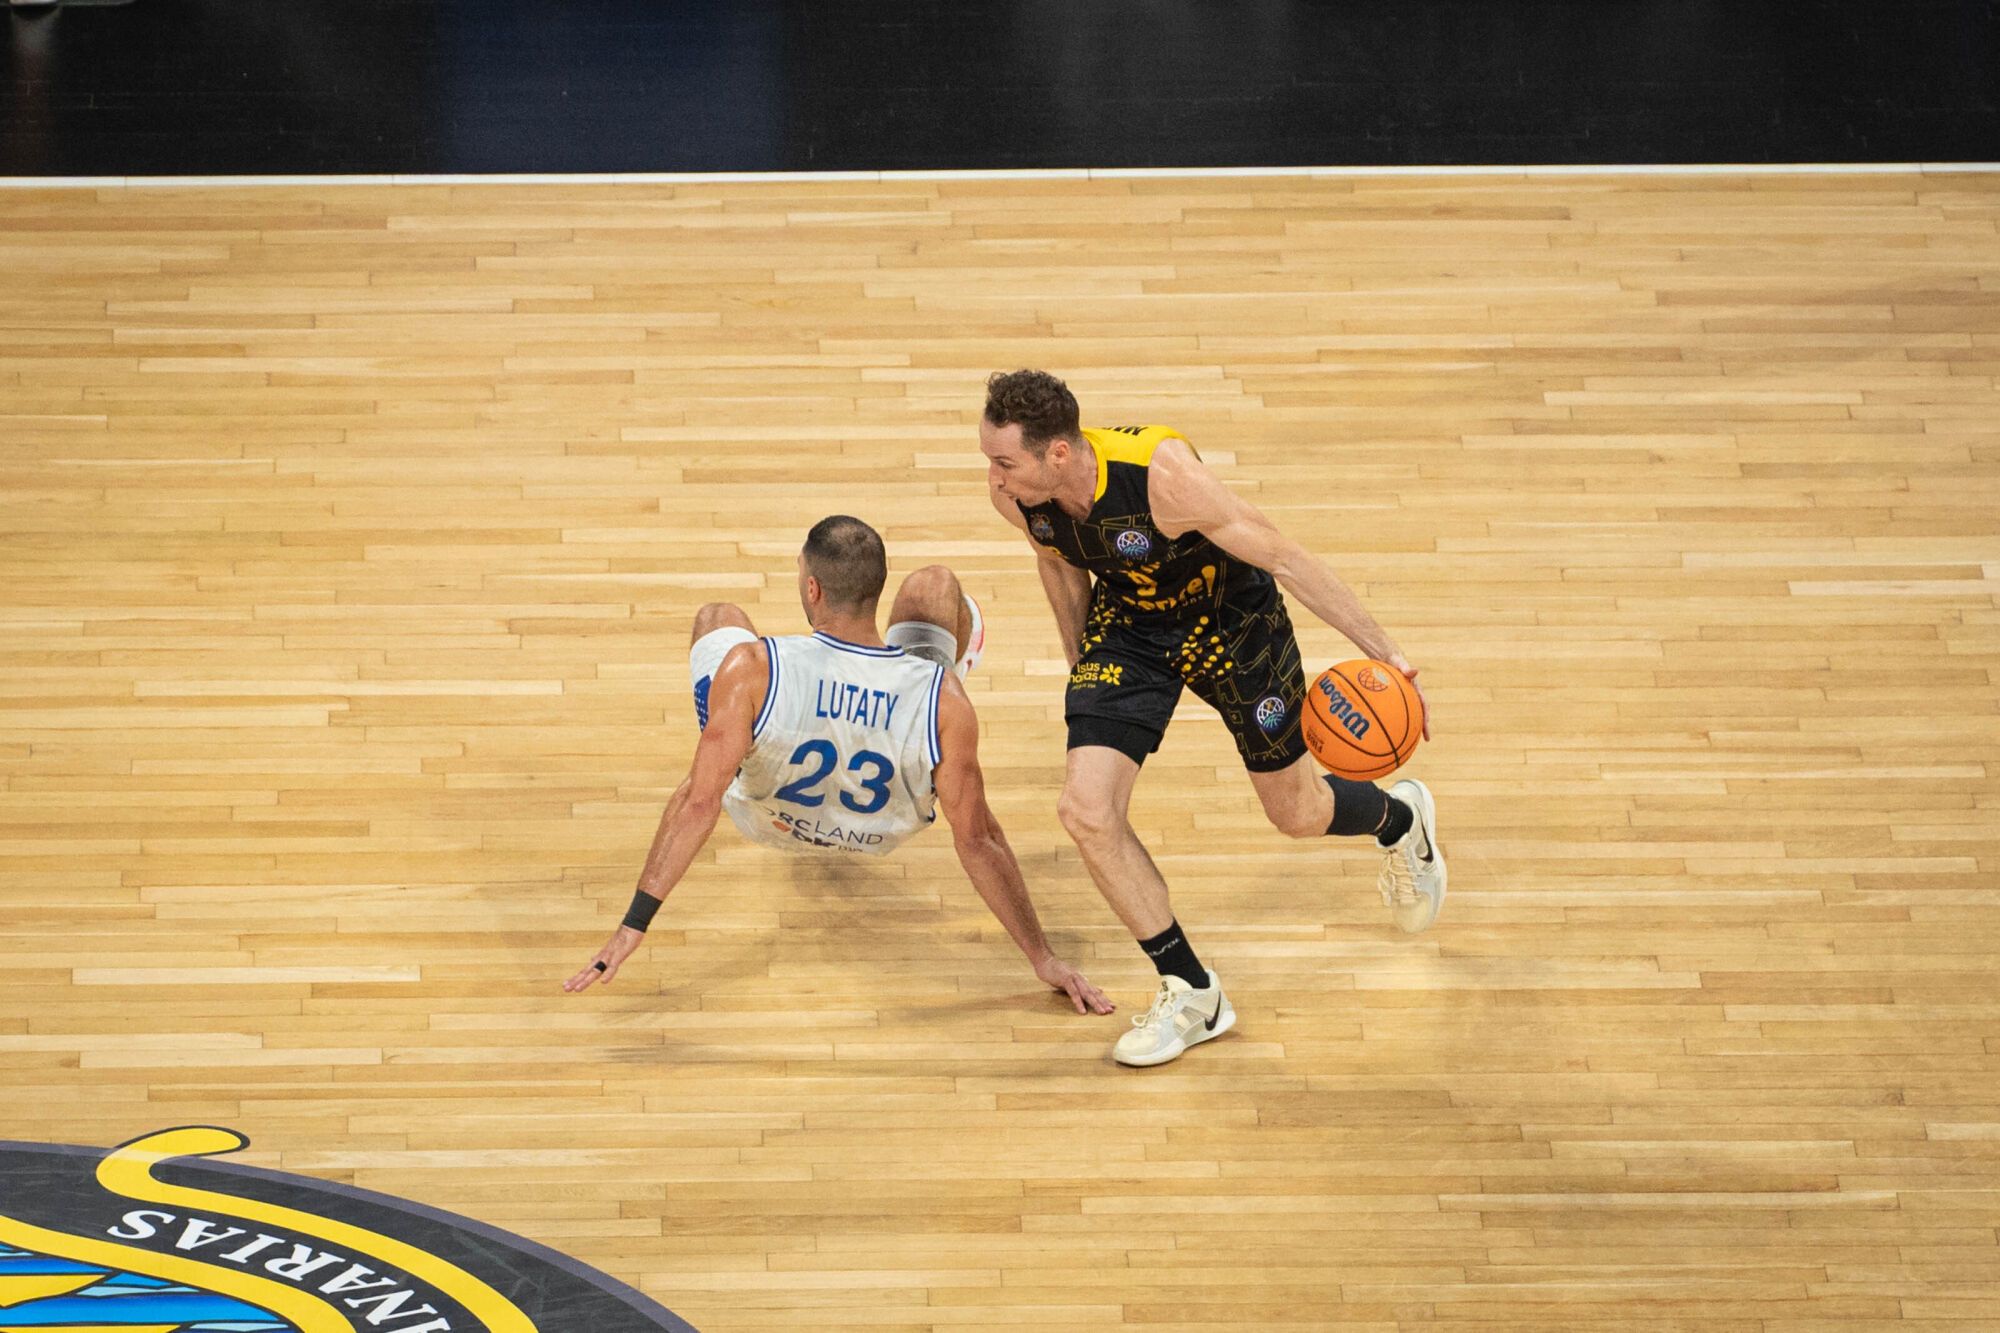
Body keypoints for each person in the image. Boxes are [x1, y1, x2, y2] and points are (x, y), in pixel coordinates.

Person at [978, 370, 1445, 1067]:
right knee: (1085, 809)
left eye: (1004, 461)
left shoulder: (1163, 475)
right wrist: (1085, 668)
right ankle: (1193, 991)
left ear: (1059, 455)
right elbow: (1060, 561)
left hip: (1235, 625)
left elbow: (1284, 557)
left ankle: (1398, 819)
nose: (993, 477)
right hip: (1131, 631)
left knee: (1296, 811)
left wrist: (1390, 655)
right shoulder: (1020, 498)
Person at [564, 514, 1112, 1016]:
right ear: (876, 594)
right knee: (937, 587)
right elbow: (978, 839)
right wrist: (1043, 957)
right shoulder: (944, 697)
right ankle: (920, 697)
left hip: (763, 817)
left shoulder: (753, 666)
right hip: (879, 833)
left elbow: (697, 802)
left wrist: (631, 926)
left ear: (812, 588)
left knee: (719, 618)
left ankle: (729, 739)